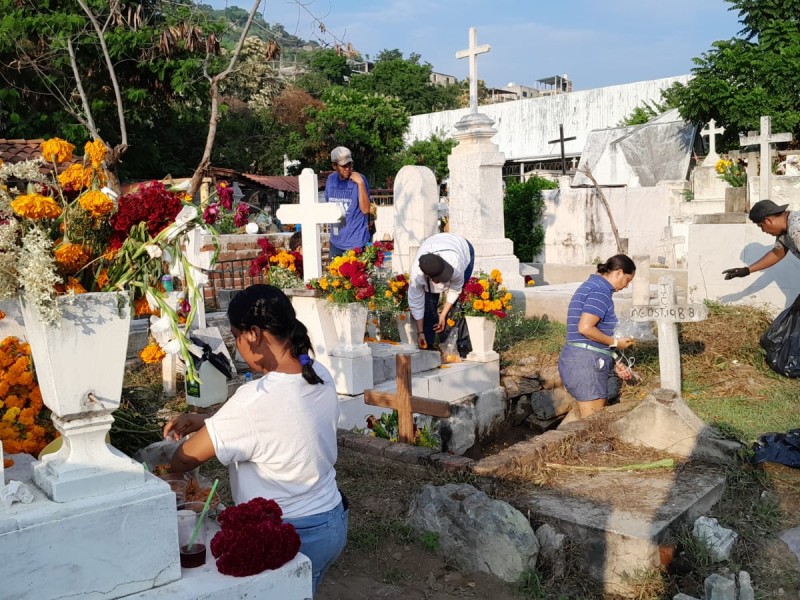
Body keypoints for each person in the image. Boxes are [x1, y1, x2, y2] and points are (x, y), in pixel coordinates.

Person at [163, 285, 347, 595]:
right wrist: (210, 421)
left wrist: (176, 452)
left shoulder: (253, 400)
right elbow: (281, 423)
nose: (236, 345)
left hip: (287, 530)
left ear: (253, 335)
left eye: (235, 336)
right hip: (331, 519)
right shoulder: (316, 371)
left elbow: (185, 458)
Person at [558, 254, 636, 419]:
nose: (626, 285)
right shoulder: (600, 291)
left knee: (592, 423)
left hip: (583, 360)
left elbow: (590, 335)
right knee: (592, 425)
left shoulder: (592, 286)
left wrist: (614, 360)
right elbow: (585, 328)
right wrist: (616, 342)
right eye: (628, 280)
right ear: (619, 272)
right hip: (586, 364)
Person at [407, 232, 475, 350]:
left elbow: (455, 289)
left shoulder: (456, 265)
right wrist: (420, 333)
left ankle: (458, 344)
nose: (442, 281)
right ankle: (427, 343)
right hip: (434, 244)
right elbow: (416, 304)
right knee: (428, 305)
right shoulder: (417, 277)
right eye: (439, 279)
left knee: (457, 306)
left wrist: (443, 315)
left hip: (462, 247)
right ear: (427, 276)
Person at [722, 199, 799, 281]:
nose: (763, 231)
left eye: (761, 226)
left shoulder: (796, 229)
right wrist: (746, 270)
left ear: (768, 221)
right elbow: (777, 254)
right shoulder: (784, 231)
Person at [323, 146, 372, 258]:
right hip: (336, 242)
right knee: (334, 275)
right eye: (343, 166)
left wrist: (360, 183)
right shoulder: (331, 180)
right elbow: (329, 206)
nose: (348, 168)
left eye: (350, 164)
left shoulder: (360, 179)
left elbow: (365, 210)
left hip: (356, 243)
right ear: (334, 166)